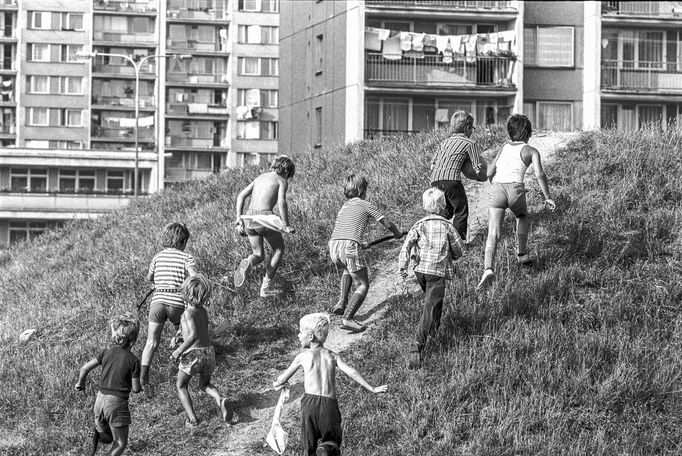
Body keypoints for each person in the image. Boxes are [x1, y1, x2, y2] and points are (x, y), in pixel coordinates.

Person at [273, 313, 388, 456]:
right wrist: (372, 388)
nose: (298, 335)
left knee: (309, 444)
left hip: (310, 404)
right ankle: (326, 449)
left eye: (301, 332)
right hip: (329, 405)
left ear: (310, 336)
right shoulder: (333, 356)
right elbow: (351, 371)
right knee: (333, 440)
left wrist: (278, 382)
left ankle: (314, 452)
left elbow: (282, 378)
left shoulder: (302, 356)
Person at [477, 114, 557, 290]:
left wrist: (494, 184)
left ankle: (488, 268)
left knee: (493, 232)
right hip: (515, 189)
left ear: (510, 133)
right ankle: (522, 254)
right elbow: (539, 174)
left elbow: (490, 172)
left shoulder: (504, 147)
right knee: (521, 217)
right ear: (528, 133)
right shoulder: (531, 150)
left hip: (497, 188)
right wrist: (547, 197)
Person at [398, 188, 464, 369]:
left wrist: (403, 266)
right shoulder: (447, 226)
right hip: (436, 271)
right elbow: (459, 249)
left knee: (435, 302)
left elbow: (406, 245)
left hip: (420, 271)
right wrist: (453, 255)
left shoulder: (418, 225)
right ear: (443, 206)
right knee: (430, 306)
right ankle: (418, 344)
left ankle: (434, 333)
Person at [328, 174, 403, 332]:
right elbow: (386, 223)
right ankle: (348, 318)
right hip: (349, 245)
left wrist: (359, 243)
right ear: (362, 190)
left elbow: (345, 230)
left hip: (334, 245)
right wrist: (396, 233)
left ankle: (341, 302)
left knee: (347, 270)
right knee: (362, 284)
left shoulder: (344, 207)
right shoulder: (365, 204)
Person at [171, 274, 234, 427]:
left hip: (194, 354)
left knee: (181, 385)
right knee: (204, 384)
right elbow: (202, 332)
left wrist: (178, 351)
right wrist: (179, 337)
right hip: (209, 353)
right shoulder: (203, 311)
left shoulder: (187, 313)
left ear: (187, 293)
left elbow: (193, 336)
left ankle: (193, 420)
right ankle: (220, 400)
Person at [75, 313, 142, 456]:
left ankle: (99, 435)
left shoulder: (106, 352)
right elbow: (136, 389)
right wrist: (141, 383)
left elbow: (85, 368)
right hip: (116, 403)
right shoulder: (134, 361)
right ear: (134, 338)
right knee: (120, 443)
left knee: (108, 435)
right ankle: (101, 436)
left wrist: (80, 383)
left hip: (100, 399)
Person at [140, 222, 197, 388]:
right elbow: (193, 273)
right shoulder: (186, 257)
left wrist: (159, 280)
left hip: (158, 302)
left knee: (151, 341)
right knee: (185, 335)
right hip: (177, 302)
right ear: (183, 241)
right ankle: (184, 367)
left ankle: (144, 377)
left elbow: (150, 278)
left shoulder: (157, 257)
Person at [233, 155, 296, 298]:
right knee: (279, 249)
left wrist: (238, 219)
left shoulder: (260, 178)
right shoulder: (281, 181)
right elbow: (282, 203)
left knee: (258, 255)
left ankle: (248, 262)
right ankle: (266, 287)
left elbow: (241, 196)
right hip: (264, 218)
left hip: (249, 218)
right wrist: (286, 225)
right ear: (286, 171)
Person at [430, 110, 487, 241]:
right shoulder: (470, 143)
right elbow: (476, 165)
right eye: (472, 128)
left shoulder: (444, 142)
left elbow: (432, 164)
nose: (472, 131)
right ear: (467, 128)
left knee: (447, 210)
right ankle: (458, 243)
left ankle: (435, 235)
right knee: (461, 211)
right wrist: (482, 176)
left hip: (435, 180)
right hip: (451, 180)